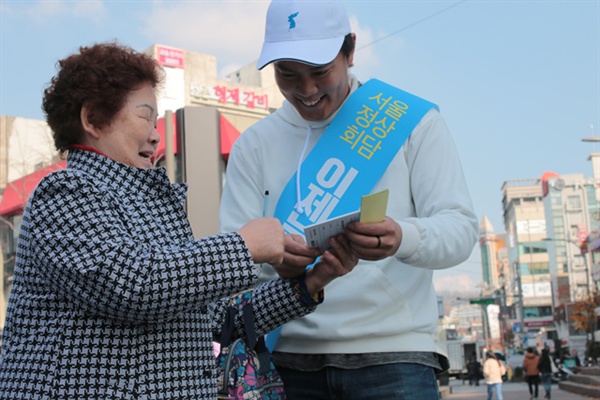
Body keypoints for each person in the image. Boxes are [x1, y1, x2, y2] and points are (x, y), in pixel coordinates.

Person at [0, 42, 358, 398]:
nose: (155, 135)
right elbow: (134, 285)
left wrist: (311, 282)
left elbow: (217, 320)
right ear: (92, 119)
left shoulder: (152, 206)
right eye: (144, 117)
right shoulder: (64, 191)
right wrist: (244, 246)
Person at [219, 0, 478, 398]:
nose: (306, 91)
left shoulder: (412, 122)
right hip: (286, 359)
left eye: (321, 72)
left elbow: (460, 229)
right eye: (287, 75)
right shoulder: (253, 146)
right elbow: (232, 260)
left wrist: (402, 237)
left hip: (396, 355)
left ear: (350, 50)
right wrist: (272, 259)